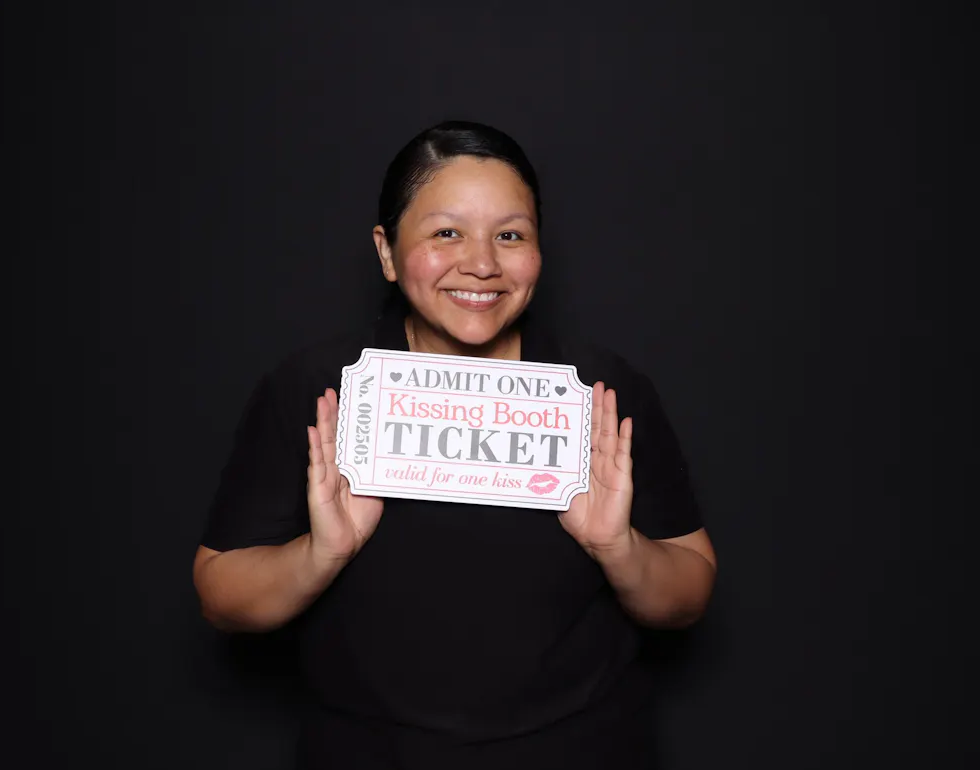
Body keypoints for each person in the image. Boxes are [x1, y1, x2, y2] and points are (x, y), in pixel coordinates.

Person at [193, 120, 717, 769]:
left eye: (510, 235)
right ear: (387, 252)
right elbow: (220, 595)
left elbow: (690, 593)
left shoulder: (602, 393)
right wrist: (321, 553)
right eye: (447, 233)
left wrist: (619, 548)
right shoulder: (318, 390)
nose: (482, 263)